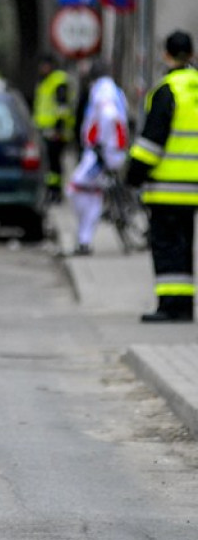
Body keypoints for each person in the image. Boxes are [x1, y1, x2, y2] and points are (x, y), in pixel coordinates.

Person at [126, 30, 198, 323]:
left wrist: (133, 175)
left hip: (167, 186)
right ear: (191, 54)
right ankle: (184, 304)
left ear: (166, 55)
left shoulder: (167, 91)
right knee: (185, 245)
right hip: (193, 187)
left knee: (167, 246)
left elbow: (151, 142)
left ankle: (170, 306)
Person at [65, 61, 128, 255]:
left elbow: (109, 116)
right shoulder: (115, 89)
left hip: (101, 152)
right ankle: (84, 240)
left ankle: (85, 236)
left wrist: (102, 144)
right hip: (108, 150)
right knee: (92, 193)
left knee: (75, 188)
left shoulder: (102, 90)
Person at [33, 53, 74, 203]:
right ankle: (51, 191)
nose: (42, 68)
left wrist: (58, 129)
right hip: (45, 130)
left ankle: (56, 193)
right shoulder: (45, 81)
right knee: (49, 163)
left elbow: (62, 109)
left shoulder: (58, 81)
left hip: (55, 132)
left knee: (54, 163)